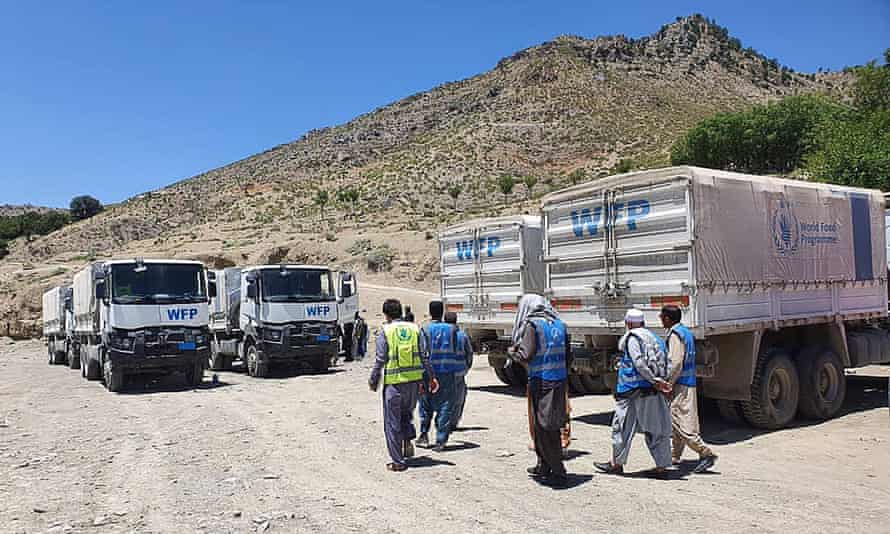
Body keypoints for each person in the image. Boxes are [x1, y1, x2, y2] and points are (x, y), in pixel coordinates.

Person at [595, 308, 673, 477]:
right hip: (652, 391)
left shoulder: (632, 338)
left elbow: (638, 363)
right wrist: (660, 382)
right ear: (643, 323)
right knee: (655, 428)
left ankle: (616, 464)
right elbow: (668, 361)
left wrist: (653, 380)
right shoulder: (655, 338)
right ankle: (662, 467)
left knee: (622, 427)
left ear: (628, 323)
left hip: (631, 392)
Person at [369, 298, 438, 471]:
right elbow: (424, 355)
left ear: (385, 314)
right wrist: (431, 378)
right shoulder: (415, 328)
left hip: (394, 384)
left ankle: (398, 462)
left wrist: (374, 378)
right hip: (414, 385)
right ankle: (407, 441)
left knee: (392, 424)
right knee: (406, 415)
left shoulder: (386, 331)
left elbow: (380, 359)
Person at [509, 294, 571, 487]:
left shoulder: (533, 325)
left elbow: (526, 354)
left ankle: (558, 470)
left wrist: (512, 352)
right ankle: (543, 465)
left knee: (544, 427)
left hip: (541, 381)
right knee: (548, 424)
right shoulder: (560, 324)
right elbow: (569, 356)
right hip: (559, 381)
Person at [660, 305, 718, 473]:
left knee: (679, 422)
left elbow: (676, 363)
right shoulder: (686, 332)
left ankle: (705, 452)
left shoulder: (675, 335)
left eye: (662, 316)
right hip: (688, 382)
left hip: (680, 384)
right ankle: (674, 456)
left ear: (668, 319)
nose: (660, 319)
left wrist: (668, 383)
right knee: (677, 422)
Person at [417, 301, 462, 451]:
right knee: (446, 405)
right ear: (442, 312)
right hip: (448, 371)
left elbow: (422, 352)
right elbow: (456, 349)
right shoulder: (453, 330)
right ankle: (441, 440)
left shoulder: (425, 329)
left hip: (428, 372)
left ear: (430, 312)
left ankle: (423, 434)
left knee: (425, 403)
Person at [445, 311, 473, 431]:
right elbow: (469, 354)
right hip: (459, 372)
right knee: (459, 398)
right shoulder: (463, 335)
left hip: (444, 372)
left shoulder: (441, 335)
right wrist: (466, 367)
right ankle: (453, 422)